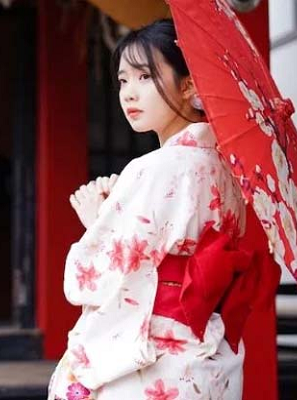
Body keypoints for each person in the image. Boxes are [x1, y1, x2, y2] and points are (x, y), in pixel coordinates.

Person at [47, 18, 261, 400]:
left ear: (188, 85)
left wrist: (96, 221)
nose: (129, 93)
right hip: (208, 352)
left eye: (145, 77)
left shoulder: (155, 168)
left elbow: (97, 277)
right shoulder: (227, 169)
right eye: (123, 80)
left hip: (152, 357)